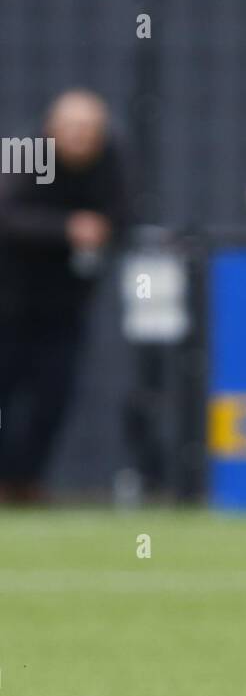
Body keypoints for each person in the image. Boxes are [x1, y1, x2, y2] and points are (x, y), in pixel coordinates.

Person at [0, 89, 126, 503]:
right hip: (11, 304)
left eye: (90, 130)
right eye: (72, 128)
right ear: (51, 128)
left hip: (65, 308)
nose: (80, 138)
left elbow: (123, 216)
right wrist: (66, 229)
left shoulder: (107, 163)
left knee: (54, 398)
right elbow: (9, 217)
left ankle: (25, 483)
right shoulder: (26, 153)